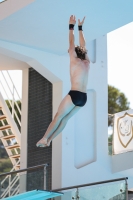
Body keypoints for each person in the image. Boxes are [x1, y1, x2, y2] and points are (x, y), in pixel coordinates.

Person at [36, 15, 90, 147]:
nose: (68, 51)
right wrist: (81, 28)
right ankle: (49, 141)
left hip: (75, 94)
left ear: (73, 52)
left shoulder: (74, 59)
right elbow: (83, 44)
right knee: (65, 119)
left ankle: (45, 138)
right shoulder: (86, 61)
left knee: (58, 117)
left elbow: (72, 43)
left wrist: (71, 26)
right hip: (83, 98)